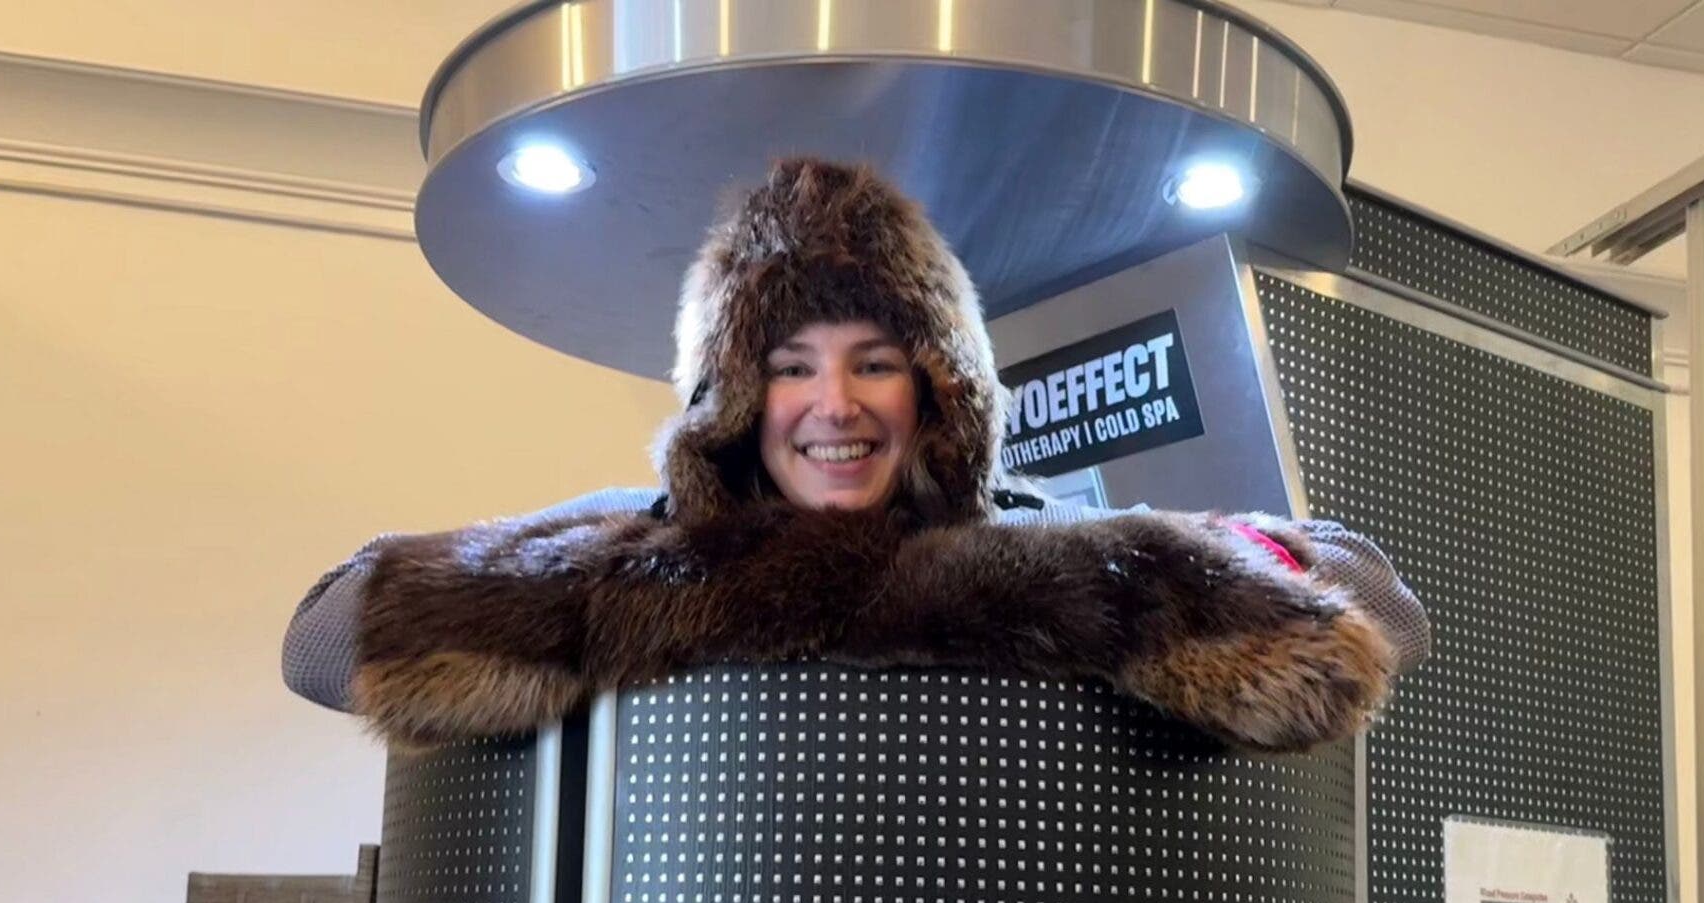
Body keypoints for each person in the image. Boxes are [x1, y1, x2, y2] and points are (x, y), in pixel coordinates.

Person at [285, 157, 1427, 752]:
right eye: (787, 366)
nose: (833, 404)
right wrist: (629, 592)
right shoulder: (641, 536)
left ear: (940, 384)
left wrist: (1106, 581)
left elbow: (1376, 600)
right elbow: (324, 635)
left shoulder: (1038, 524)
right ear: (730, 398)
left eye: (874, 359)